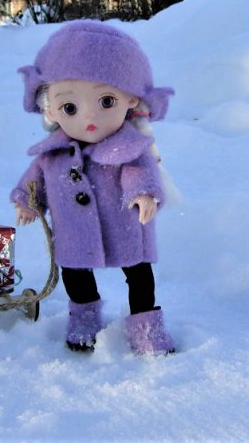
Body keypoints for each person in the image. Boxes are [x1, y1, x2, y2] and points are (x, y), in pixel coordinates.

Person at [10, 20, 176, 355]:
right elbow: (34, 180)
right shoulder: (51, 154)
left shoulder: (131, 147)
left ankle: (146, 328)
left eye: (106, 102)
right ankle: (84, 319)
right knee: (75, 273)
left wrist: (143, 194)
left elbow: (138, 173)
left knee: (139, 273)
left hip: (125, 224)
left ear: (131, 100)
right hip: (73, 231)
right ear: (51, 108)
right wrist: (28, 201)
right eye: (70, 107)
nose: (89, 118)